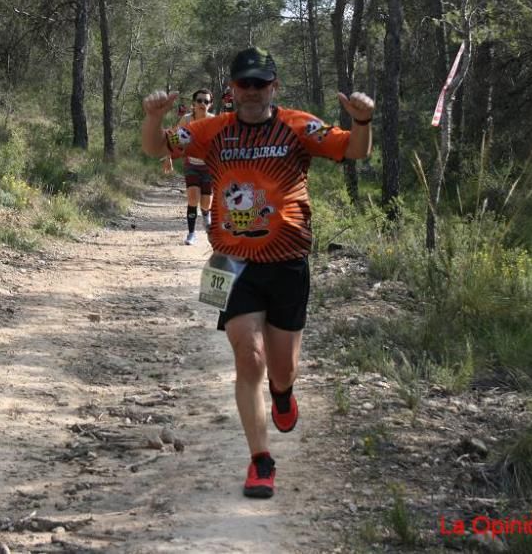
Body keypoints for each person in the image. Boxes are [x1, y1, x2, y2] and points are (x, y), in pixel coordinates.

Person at [141, 47, 374, 499]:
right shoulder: (211, 130)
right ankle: (260, 461)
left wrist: (362, 121)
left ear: (274, 87)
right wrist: (153, 117)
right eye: (243, 83)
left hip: (288, 263)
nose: (251, 92)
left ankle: (284, 395)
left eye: (259, 83)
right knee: (249, 357)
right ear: (231, 88)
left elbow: (353, 150)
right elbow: (157, 147)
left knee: (282, 369)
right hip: (232, 263)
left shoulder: (297, 126)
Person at [162, 89, 216, 245]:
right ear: (193, 103)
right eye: (199, 101)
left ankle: (206, 214)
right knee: (193, 198)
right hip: (192, 164)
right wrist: (168, 157)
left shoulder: (214, 121)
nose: (202, 104)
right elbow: (174, 138)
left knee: (206, 203)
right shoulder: (186, 120)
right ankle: (192, 234)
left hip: (209, 167)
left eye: (206, 101)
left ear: (210, 104)